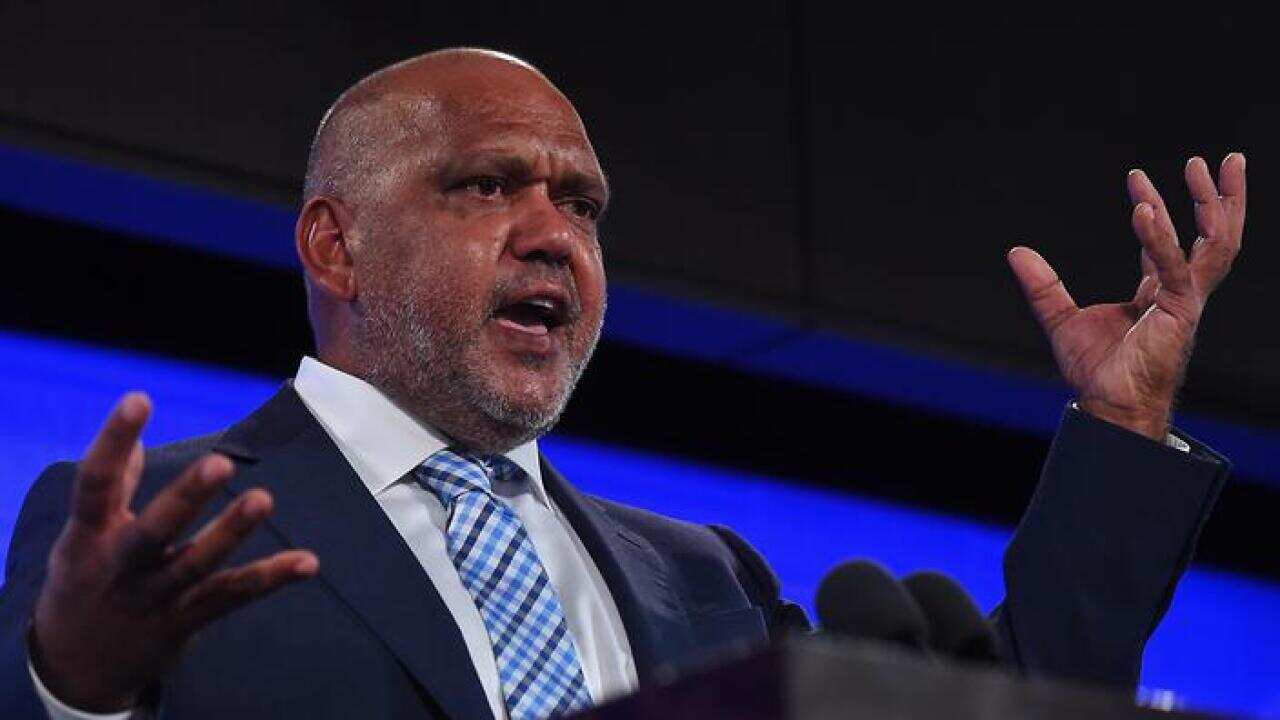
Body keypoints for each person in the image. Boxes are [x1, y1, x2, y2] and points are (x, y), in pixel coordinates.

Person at [0, 48, 1242, 719]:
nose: (555, 235)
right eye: (489, 185)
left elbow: (1016, 710)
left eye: (583, 205)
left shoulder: (701, 578)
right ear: (337, 247)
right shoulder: (154, 536)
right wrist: (76, 689)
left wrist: (1120, 419)